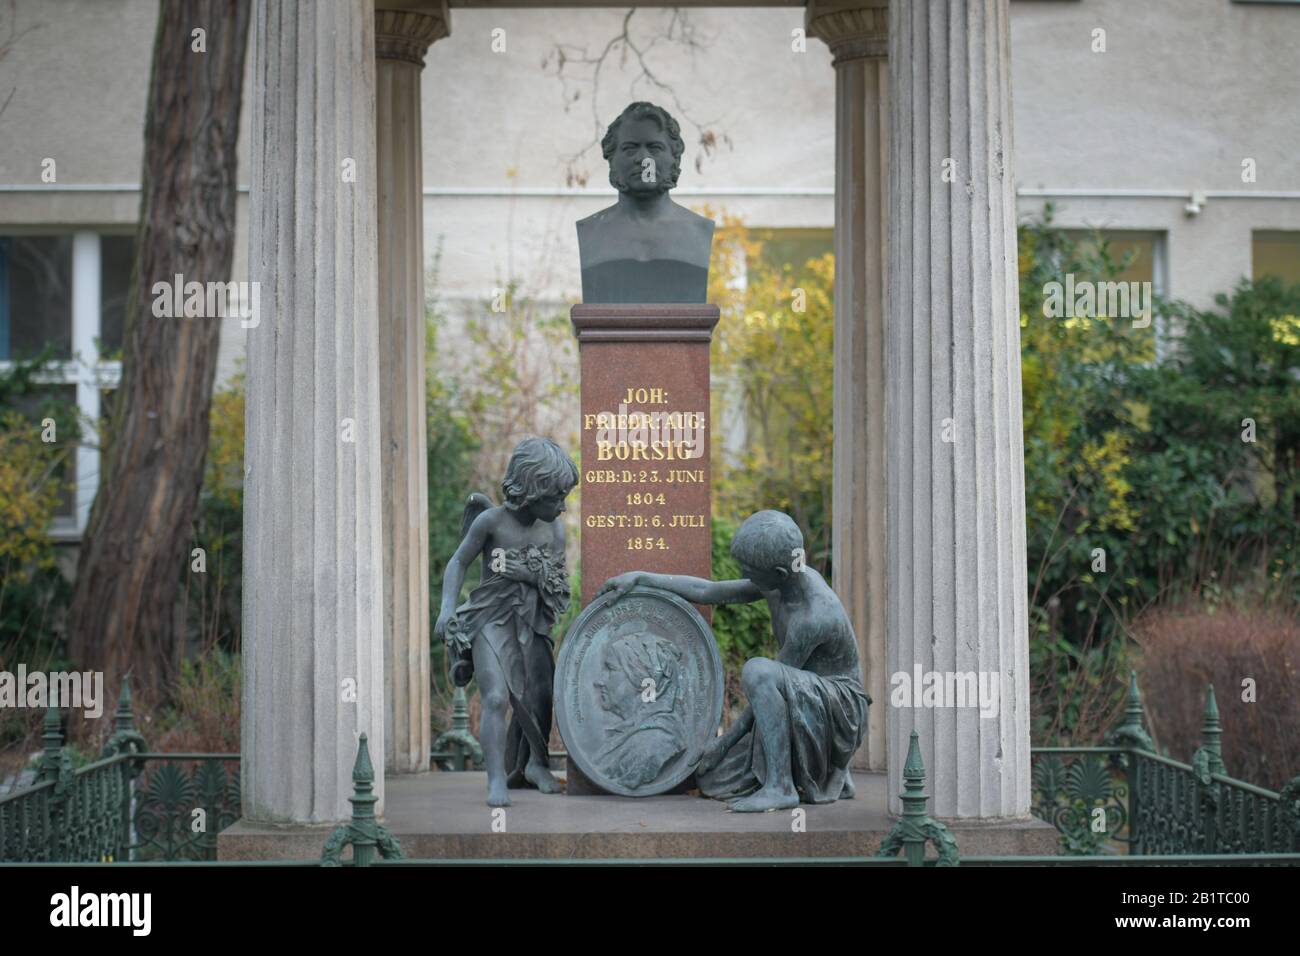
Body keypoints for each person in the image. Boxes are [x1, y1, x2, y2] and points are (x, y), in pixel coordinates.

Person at [598, 510, 869, 812]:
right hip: (809, 694)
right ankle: (829, 773)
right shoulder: (787, 581)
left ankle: (781, 786)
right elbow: (709, 591)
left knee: (758, 670)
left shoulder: (813, 617)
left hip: (839, 708)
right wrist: (641, 577)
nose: (743, 574)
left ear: (778, 572)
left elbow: (773, 686)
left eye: (749, 570)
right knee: (713, 778)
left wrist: (724, 741)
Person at [435, 437, 578, 807]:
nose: (563, 507)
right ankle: (496, 777)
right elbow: (458, 562)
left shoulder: (554, 532)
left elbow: (559, 586)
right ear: (531, 491)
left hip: (533, 622)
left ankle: (535, 764)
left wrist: (530, 576)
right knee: (496, 697)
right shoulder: (491, 521)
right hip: (491, 620)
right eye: (556, 498)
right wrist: (447, 608)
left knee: (539, 698)